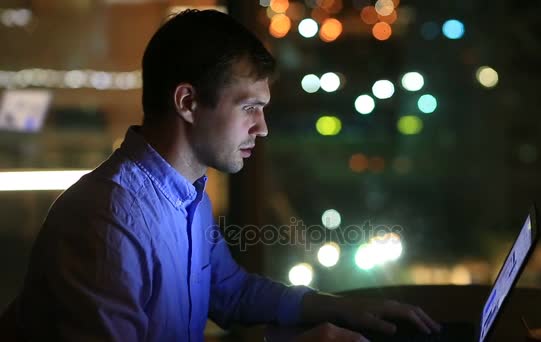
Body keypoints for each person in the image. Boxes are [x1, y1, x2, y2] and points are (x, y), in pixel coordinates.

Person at [15, 9, 441, 341]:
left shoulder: (186, 194)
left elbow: (228, 290)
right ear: (187, 102)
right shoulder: (108, 221)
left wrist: (335, 308)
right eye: (248, 108)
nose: (262, 127)